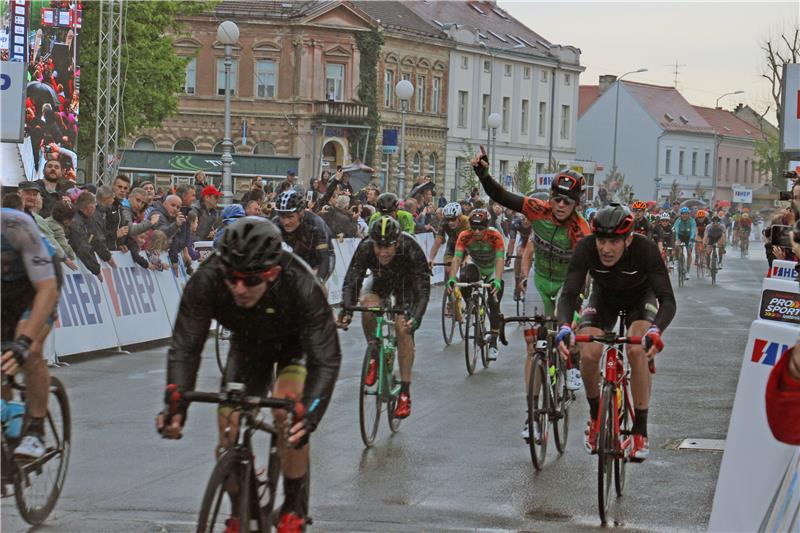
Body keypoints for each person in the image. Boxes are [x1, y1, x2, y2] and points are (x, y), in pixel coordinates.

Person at [156, 217, 342, 531]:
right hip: (247, 345)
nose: (239, 288)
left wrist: (309, 413)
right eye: (232, 277)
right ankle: (241, 501)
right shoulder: (209, 278)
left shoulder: (299, 281)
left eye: (250, 280)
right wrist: (177, 403)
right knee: (228, 427)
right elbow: (186, 345)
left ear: (272, 273)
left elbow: (326, 358)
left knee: (288, 411)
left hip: (292, 345)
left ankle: (294, 506)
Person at [470, 146, 590, 438]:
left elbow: (589, 271)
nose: (561, 205)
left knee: (569, 330)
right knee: (533, 348)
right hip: (540, 279)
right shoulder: (539, 210)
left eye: (568, 201)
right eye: (557, 199)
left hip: (567, 283)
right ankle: (532, 416)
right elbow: (502, 197)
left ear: (576, 204)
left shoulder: (581, 229)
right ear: (550, 198)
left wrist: (583, 305)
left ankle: (571, 360)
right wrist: (483, 173)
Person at [555, 204, 676, 461]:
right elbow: (568, 294)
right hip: (604, 300)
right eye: (601, 240)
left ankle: (640, 430)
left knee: (637, 348)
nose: (605, 249)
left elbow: (668, 300)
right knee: (588, 353)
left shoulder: (645, 250)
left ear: (628, 239)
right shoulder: (586, 248)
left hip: (640, 300)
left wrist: (656, 331)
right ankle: (596, 415)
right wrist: (565, 326)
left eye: (613, 241)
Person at [338, 216, 431, 419]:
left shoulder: (410, 247)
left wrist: (415, 317)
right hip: (381, 281)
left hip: (407, 286)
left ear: (397, 242)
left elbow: (422, 290)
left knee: (402, 327)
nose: (382, 252)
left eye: (388, 246)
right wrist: (346, 310)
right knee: (368, 305)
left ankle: (405, 393)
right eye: (378, 247)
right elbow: (352, 279)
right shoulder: (365, 248)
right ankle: (374, 352)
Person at [1, 208, 61, 459]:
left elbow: (47, 289)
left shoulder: (15, 225)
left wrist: (24, 343)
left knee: (30, 350)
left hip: (39, 285)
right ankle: (10, 411)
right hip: (4, 292)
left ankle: (36, 431)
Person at [447, 209, 506, 359]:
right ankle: (472, 305)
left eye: (481, 228)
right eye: (474, 228)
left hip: (492, 268)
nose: (477, 231)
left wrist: (498, 281)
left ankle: (493, 341)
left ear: (487, 226)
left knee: (493, 301)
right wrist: (452, 278)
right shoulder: (465, 236)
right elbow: (457, 258)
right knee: (465, 276)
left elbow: (500, 259)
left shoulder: (495, 236)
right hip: (477, 266)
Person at [273, 189, 334, 283]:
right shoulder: (275, 223)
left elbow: (324, 259)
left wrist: (319, 281)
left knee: (312, 286)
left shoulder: (316, 225)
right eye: (282, 217)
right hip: (296, 252)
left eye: (290, 217)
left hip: (319, 257)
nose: (285, 222)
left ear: (300, 213)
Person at [428, 202, 470, 278]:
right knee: (449, 272)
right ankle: (452, 287)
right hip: (452, 246)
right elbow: (438, 241)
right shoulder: (444, 222)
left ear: (459, 216)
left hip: (467, 248)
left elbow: (473, 243)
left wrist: (467, 258)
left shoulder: (467, 222)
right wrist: (431, 259)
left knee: (466, 273)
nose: (450, 222)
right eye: (448, 219)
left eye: (453, 219)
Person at [673, 207, 696, 279]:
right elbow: (676, 230)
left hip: (689, 237)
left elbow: (693, 231)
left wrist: (691, 239)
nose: (684, 216)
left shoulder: (692, 221)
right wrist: (677, 240)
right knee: (677, 247)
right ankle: (677, 259)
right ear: (680, 215)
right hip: (680, 236)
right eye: (683, 214)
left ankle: (688, 271)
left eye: (686, 214)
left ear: (688, 215)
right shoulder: (678, 221)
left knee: (689, 253)